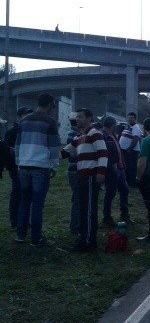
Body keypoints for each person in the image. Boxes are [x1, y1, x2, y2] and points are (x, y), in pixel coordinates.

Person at [15, 93, 60, 246]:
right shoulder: (50, 121)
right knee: (38, 204)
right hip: (40, 166)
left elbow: (18, 144)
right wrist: (54, 165)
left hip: (24, 165)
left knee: (24, 201)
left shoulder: (24, 120)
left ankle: (20, 234)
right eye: (53, 106)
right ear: (49, 105)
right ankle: (36, 238)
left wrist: (18, 162)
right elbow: (54, 146)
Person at [62, 108, 108, 252]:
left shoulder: (95, 133)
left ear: (89, 118)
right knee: (84, 208)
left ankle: (88, 242)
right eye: (77, 117)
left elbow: (103, 153)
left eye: (80, 117)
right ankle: (85, 238)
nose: (77, 119)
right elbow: (65, 152)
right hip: (82, 176)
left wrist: (101, 172)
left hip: (90, 176)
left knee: (88, 209)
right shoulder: (79, 137)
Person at [4, 106, 33, 228]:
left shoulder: (29, 130)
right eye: (26, 115)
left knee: (26, 195)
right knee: (17, 194)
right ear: (18, 117)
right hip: (16, 168)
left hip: (28, 166)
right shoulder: (11, 132)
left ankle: (25, 220)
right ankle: (15, 221)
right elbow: (7, 151)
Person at [101, 116, 130, 226]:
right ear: (113, 125)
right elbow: (102, 152)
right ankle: (107, 217)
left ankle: (124, 215)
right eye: (115, 125)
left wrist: (121, 162)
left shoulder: (112, 135)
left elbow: (118, 150)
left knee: (124, 190)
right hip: (112, 169)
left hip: (119, 168)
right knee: (110, 193)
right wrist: (109, 165)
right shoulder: (103, 136)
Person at [119, 112, 142, 187]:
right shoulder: (128, 126)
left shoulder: (136, 127)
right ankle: (126, 181)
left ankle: (131, 183)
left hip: (131, 151)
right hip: (125, 150)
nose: (130, 119)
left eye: (131, 118)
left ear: (135, 119)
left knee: (131, 168)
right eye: (129, 117)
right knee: (126, 167)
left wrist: (129, 149)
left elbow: (135, 139)